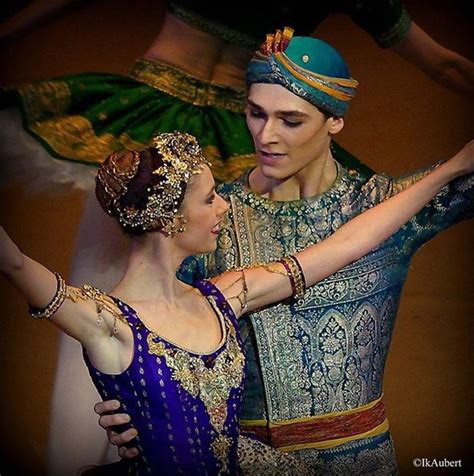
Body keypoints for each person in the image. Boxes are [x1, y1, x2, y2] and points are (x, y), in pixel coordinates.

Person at [1, 2, 473, 473]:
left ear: (334, 122)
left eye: (290, 121)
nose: (265, 136)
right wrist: (128, 402)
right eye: (254, 113)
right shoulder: (208, 222)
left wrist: (449, 170)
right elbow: (144, 326)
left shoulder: (384, 205)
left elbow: (345, 246)